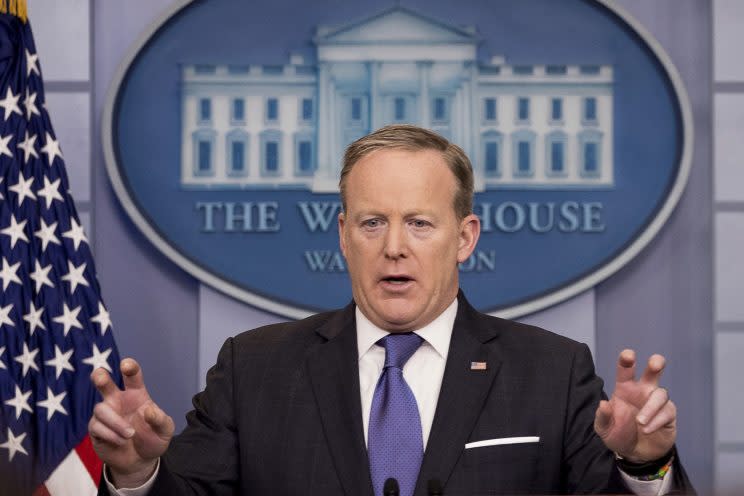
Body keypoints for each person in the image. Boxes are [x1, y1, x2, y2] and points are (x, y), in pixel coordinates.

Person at [89, 125, 693, 495]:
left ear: (465, 237)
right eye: (373, 222)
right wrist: (138, 476)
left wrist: (643, 469)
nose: (394, 246)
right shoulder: (254, 369)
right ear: (343, 234)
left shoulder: (552, 373)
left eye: (420, 223)